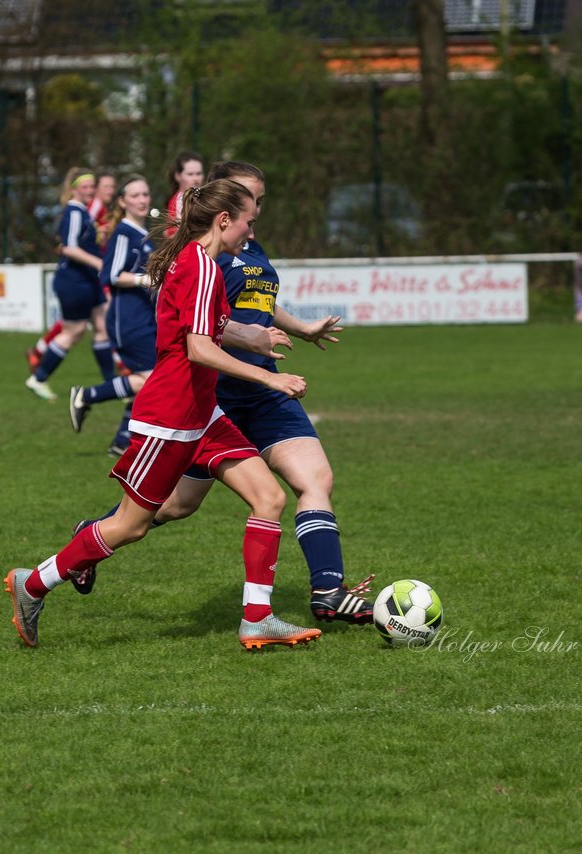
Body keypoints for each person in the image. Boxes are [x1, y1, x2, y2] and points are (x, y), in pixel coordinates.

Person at [5, 178, 321, 650]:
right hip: (170, 418)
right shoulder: (200, 268)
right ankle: (32, 585)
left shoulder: (202, 264)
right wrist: (268, 378)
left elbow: (208, 330)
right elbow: (198, 349)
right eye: (248, 223)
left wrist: (255, 334)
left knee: (268, 499)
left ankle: (257, 618)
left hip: (203, 413)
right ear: (223, 221)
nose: (251, 233)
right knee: (130, 526)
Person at [71, 162, 374, 626]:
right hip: (217, 397)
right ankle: (89, 540)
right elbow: (196, 329)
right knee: (174, 505)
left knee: (315, 480)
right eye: (252, 202)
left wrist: (301, 327)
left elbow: (261, 304)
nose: (257, 213)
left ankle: (328, 590)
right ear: (227, 207)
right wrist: (247, 339)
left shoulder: (250, 248)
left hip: (266, 393)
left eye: (261, 203)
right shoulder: (204, 256)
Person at [68, 174, 156, 455]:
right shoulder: (123, 233)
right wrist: (146, 280)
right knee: (152, 378)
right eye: (135, 195)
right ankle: (88, 396)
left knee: (151, 380)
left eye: (145, 194)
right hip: (128, 319)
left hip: (146, 317)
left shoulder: (145, 235)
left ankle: (122, 440)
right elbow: (112, 274)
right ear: (122, 201)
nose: (142, 200)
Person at [24, 167, 111, 401]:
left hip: (87, 280)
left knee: (103, 326)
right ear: (73, 189)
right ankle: (38, 377)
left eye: (93, 186)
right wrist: (98, 262)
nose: (90, 191)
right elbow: (69, 247)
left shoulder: (82, 212)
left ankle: (112, 384)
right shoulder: (73, 211)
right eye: (85, 187)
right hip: (74, 281)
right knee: (74, 332)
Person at [163, 151, 204, 238]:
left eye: (199, 173)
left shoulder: (203, 196)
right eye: (190, 174)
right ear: (178, 176)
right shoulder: (180, 200)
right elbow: (172, 235)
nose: (195, 178)